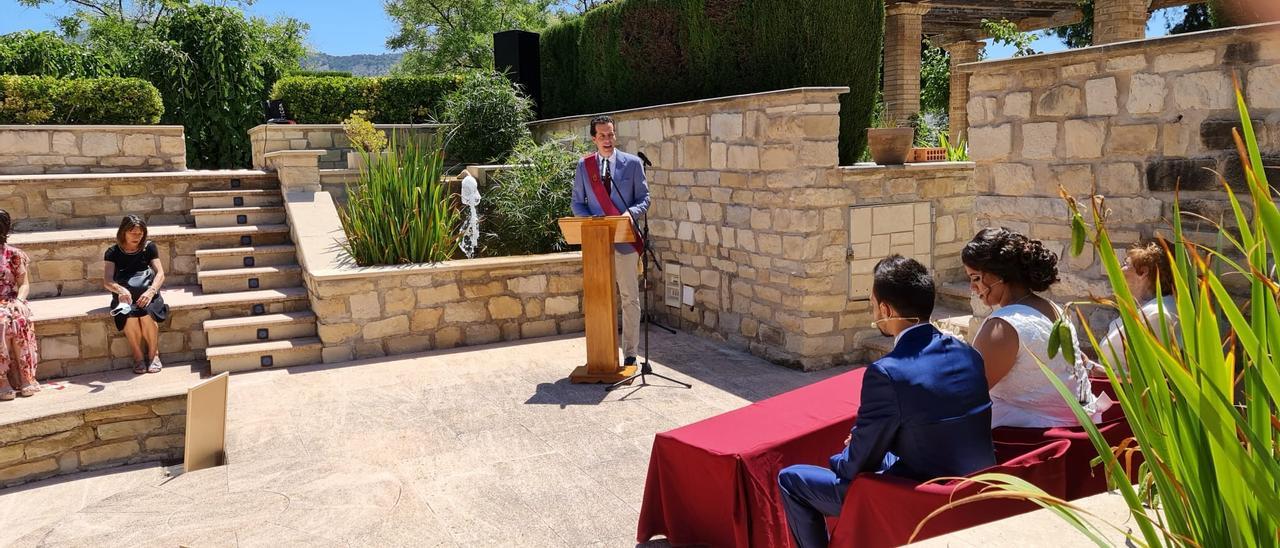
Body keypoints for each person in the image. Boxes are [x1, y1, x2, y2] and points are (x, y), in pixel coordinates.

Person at [777, 256, 994, 548]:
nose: (873, 312)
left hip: (921, 495)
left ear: (886, 309)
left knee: (791, 479)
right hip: (977, 483)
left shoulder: (887, 372)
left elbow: (857, 464)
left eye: (872, 304)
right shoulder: (968, 352)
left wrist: (845, 454)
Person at [962, 227, 1111, 428]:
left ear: (1000, 275)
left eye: (975, 278)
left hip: (1033, 441)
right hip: (1079, 427)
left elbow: (968, 395)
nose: (972, 287)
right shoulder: (1053, 308)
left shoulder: (1003, 327)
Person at [570, 115, 650, 366]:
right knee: (598, 298)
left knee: (629, 298)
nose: (608, 140)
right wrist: (592, 223)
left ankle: (630, 353)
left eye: (611, 134)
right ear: (594, 138)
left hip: (625, 241)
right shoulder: (585, 167)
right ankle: (601, 354)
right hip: (597, 245)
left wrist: (630, 213)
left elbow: (644, 199)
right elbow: (577, 203)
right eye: (602, 135)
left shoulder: (633, 164)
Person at [1093, 238, 1180, 375]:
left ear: (1143, 272)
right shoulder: (1146, 309)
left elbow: (1154, 376)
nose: (1120, 270)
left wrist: (1099, 371)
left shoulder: (1156, 314)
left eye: (1125, 264)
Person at [103, 215, 168, 374]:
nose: (137, 237)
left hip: (148, 292)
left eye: (140, 234)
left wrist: (151, 291)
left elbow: (160, 273)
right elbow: (107, 280)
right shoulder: (112, 252)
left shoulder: (149, 247)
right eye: (133, 233)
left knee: (146, 313)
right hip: (125, 295)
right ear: (123, 232)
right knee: (129, 314)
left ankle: (154, 355)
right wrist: (120, 290)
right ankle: (138, 357)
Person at [0, 209, 40, 401]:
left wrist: (19, 301)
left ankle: (26, 376)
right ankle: (2, 379)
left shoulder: (13, 254)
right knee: (0, 322)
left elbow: (23, 284)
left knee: (19, 319)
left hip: (9, 299)